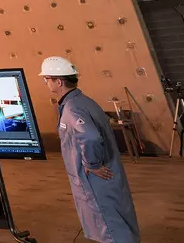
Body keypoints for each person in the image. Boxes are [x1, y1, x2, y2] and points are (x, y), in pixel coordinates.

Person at [40, 56, 140, 243]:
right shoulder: (83, 101)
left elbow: (91, 137)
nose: (46, 83)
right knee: (117, 219)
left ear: (59, 81)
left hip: (96, 177)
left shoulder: (72, 108)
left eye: (47, 79)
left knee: (109, 226)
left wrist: (92, 164)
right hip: (107, 173)